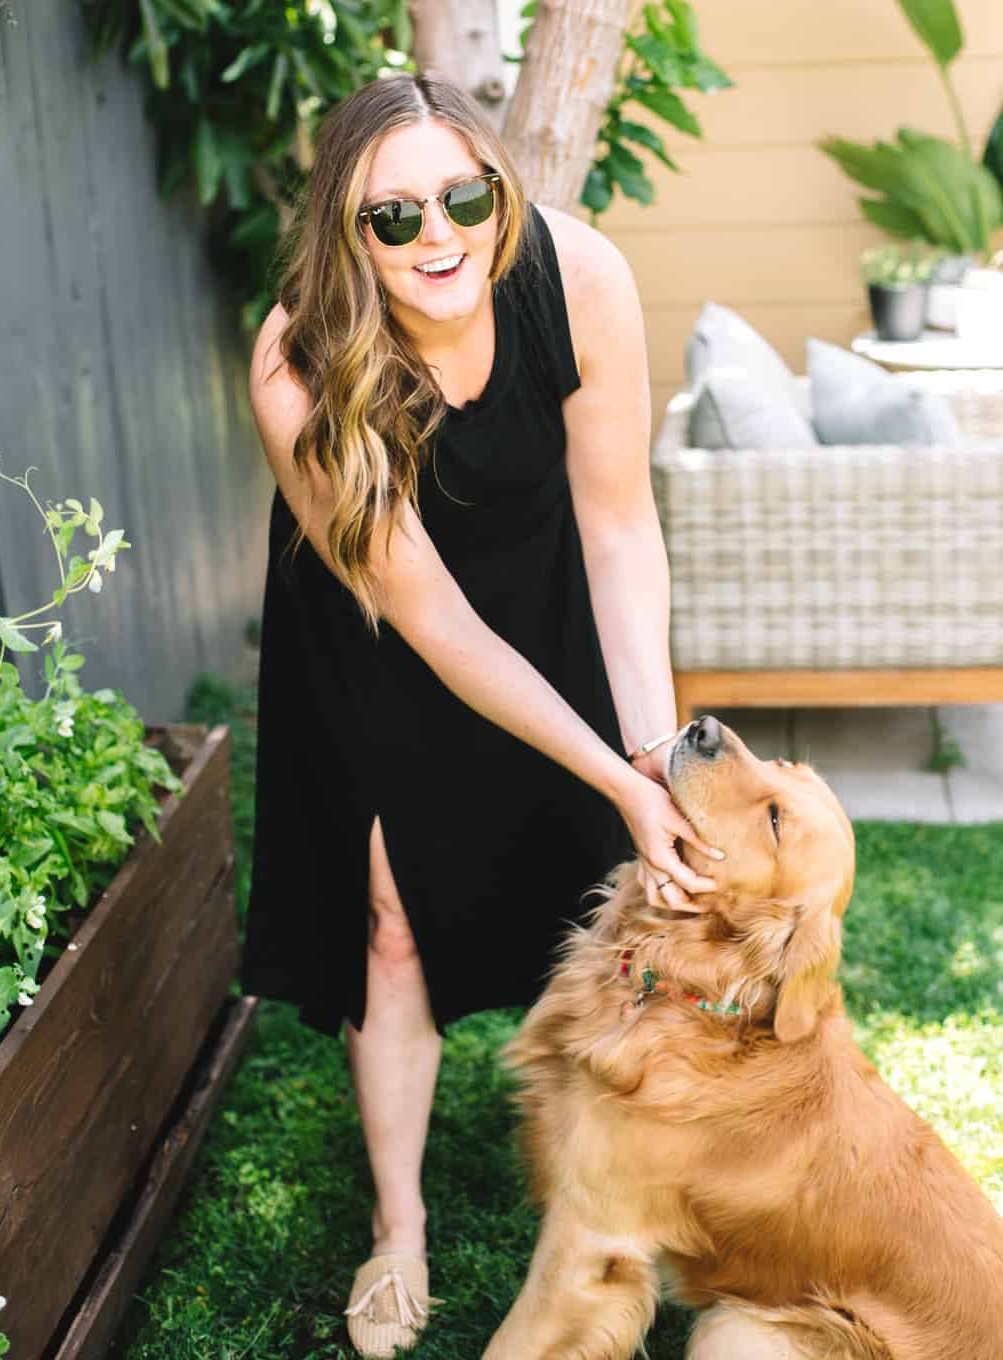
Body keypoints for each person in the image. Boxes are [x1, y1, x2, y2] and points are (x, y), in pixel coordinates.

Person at [241, 70, 724, 1359]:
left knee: (618, 879)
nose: (438, 234)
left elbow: (620, 524)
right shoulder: (297, 364)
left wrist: (650, 757)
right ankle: (396, 1229)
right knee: (391, 919)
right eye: (392, 217)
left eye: (464, 195)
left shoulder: (583, 276)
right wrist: (622, 776)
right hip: (376, 632)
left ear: (499, 189)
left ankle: (628, 1185)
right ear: (347, 235)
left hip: (546, 577)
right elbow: (437, 626)